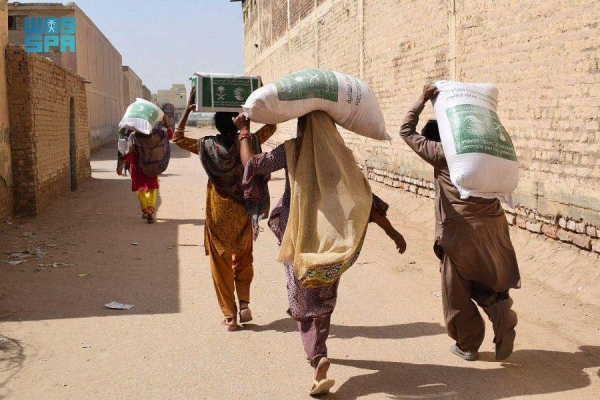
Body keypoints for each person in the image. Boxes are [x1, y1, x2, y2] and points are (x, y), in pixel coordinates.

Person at [236, 111, 406, 395]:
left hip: (299, 238)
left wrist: (243, 132)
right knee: (324, 297)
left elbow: (252, 165)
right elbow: (364, 198)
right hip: (333, 240)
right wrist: (392, 232)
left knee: (301, 301)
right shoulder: (341, 154)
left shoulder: (291, 149)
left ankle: (317, 356)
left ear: (302, 125)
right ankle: (318, 350)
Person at [400, 84, 521, 362]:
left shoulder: (443, 154)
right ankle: (504, 321)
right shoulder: (482, 154)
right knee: (487, 280)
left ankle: (468, 345)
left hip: (460, 232)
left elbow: (406, 131)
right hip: (495, 226)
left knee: (456, 290)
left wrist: (420, 100)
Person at [173, 87, 277, 331]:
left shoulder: (207, 146)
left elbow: (177, 138)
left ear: (218, 125)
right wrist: (259, 109)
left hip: (219, 211)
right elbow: (272, 127)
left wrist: (188, 110)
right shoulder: (250, 141)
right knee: (243, 257)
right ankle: (244, 303)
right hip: (245, 209)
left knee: (220, 264)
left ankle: (230, 317)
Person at [117, 114, 173, 224]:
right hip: (153, 167)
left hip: (138, 168)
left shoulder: (134, 136)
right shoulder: (159, 134)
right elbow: (170, 136)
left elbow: (128, 152)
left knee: (141, 189)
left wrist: (122, 164)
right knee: (152, 189)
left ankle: (147, 210)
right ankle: (150, 209)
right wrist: (167, 123)